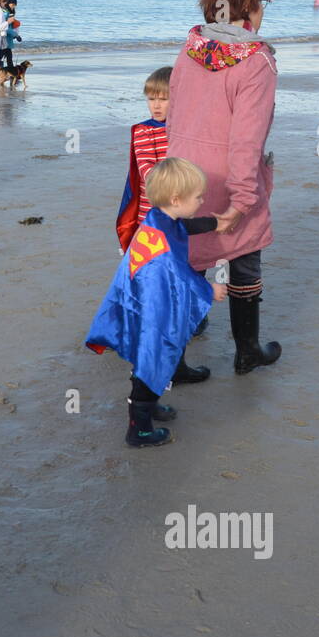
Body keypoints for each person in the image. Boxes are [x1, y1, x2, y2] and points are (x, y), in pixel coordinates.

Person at [166, 0, 282, 376]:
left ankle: (173, 362)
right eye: (261, 3)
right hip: (229, 178)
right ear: (249, 9)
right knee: (245, 259)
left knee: (187, 263)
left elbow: (174, 116)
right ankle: (247, 351)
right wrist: (245, 199)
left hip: (183, 176)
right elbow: (246, 141)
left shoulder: (189, 49)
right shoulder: (256, 61)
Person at [86, 158, 227, 448]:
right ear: (176, 199)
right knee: (150, 360)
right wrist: (209, 288)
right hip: (148, 309)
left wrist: (214, 222)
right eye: (198, 197)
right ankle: (139, 429)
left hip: (139, 301)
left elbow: (184, 226)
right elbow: (178, 274)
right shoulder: (161, 238)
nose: (202, 200)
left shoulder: (158, 217)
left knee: (149, 356)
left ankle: (149, 406)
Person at [115, 66, 211, 385]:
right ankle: (152, 360)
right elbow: (149, 176)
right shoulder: (143, 132)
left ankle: (179, 351)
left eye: (164, 99)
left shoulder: (185, 131)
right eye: (151, 99)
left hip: (181, 222)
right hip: (152, 223)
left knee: (185, 279)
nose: (156, 106)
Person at [0, 0, 21, 72]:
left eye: (15, 5)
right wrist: (16, 35)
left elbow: (10, 26)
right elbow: (5, 27)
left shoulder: (9, 12)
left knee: (7, 57)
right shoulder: (6, 13)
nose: (13, 7)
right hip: (4, 39)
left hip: (8, 38)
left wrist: (15, 34)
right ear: (8, 3)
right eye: (12, 5)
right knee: (3, 57)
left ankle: (10, 73)